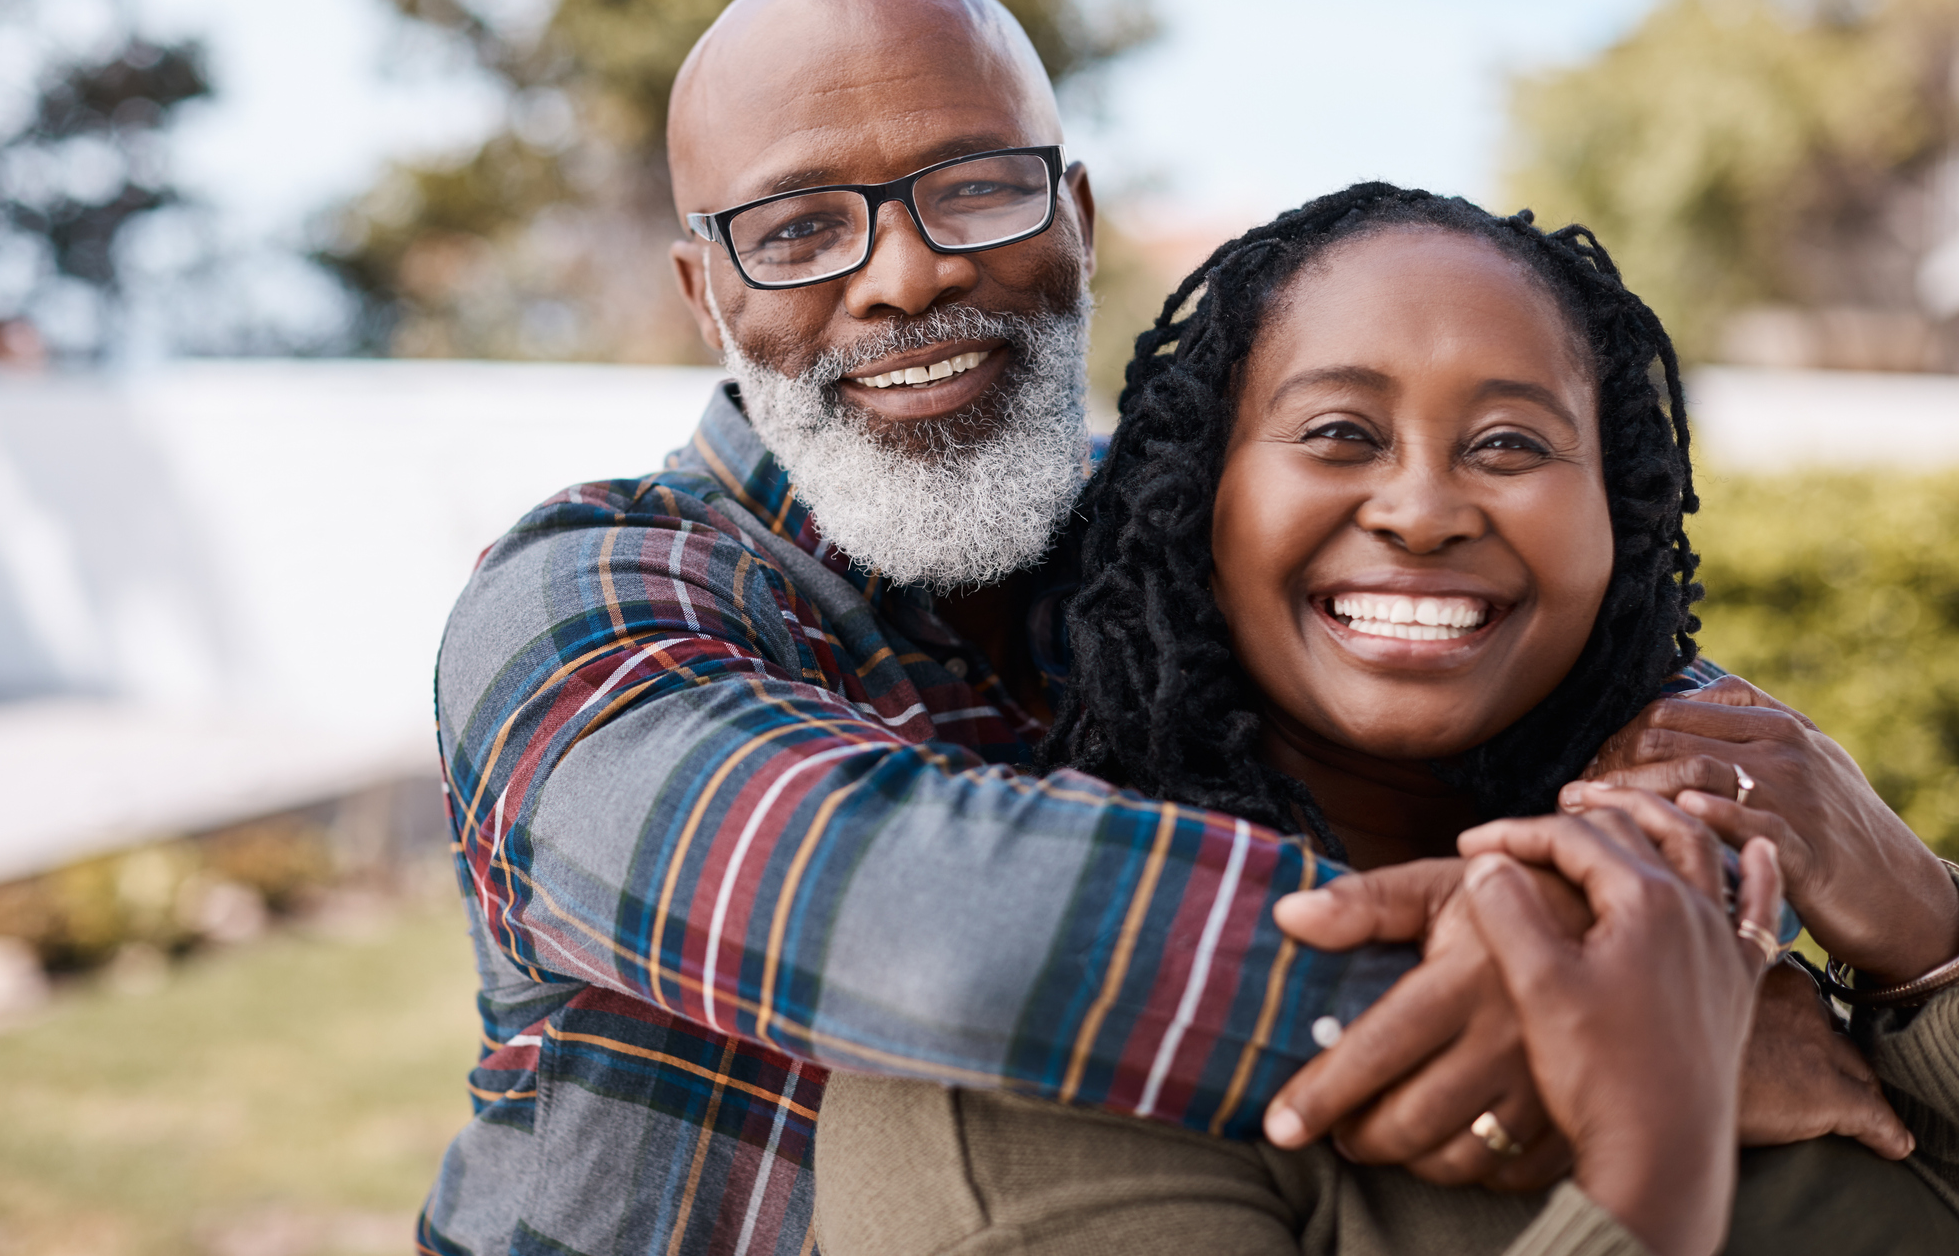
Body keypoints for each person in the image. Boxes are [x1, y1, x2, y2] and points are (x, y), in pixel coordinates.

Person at [417, 0, 1914, 1256]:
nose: (905, 272)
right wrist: (1616, 997)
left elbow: (1575, 680)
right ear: (703, 292)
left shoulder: (1188, 509)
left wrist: (1808, 891)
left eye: (973, 187)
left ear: (1071, 213)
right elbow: (930, 927)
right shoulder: (591, 599)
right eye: (798, 230)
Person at [812, 187, 1959, 1252]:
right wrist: (1656, 1138)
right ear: (1192, 504)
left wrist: (1925, 941)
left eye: (1510, 442)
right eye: (1339, 434)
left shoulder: (1709, 899)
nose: (1421, 511)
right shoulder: (1019, 1046)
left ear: (1623, 520)